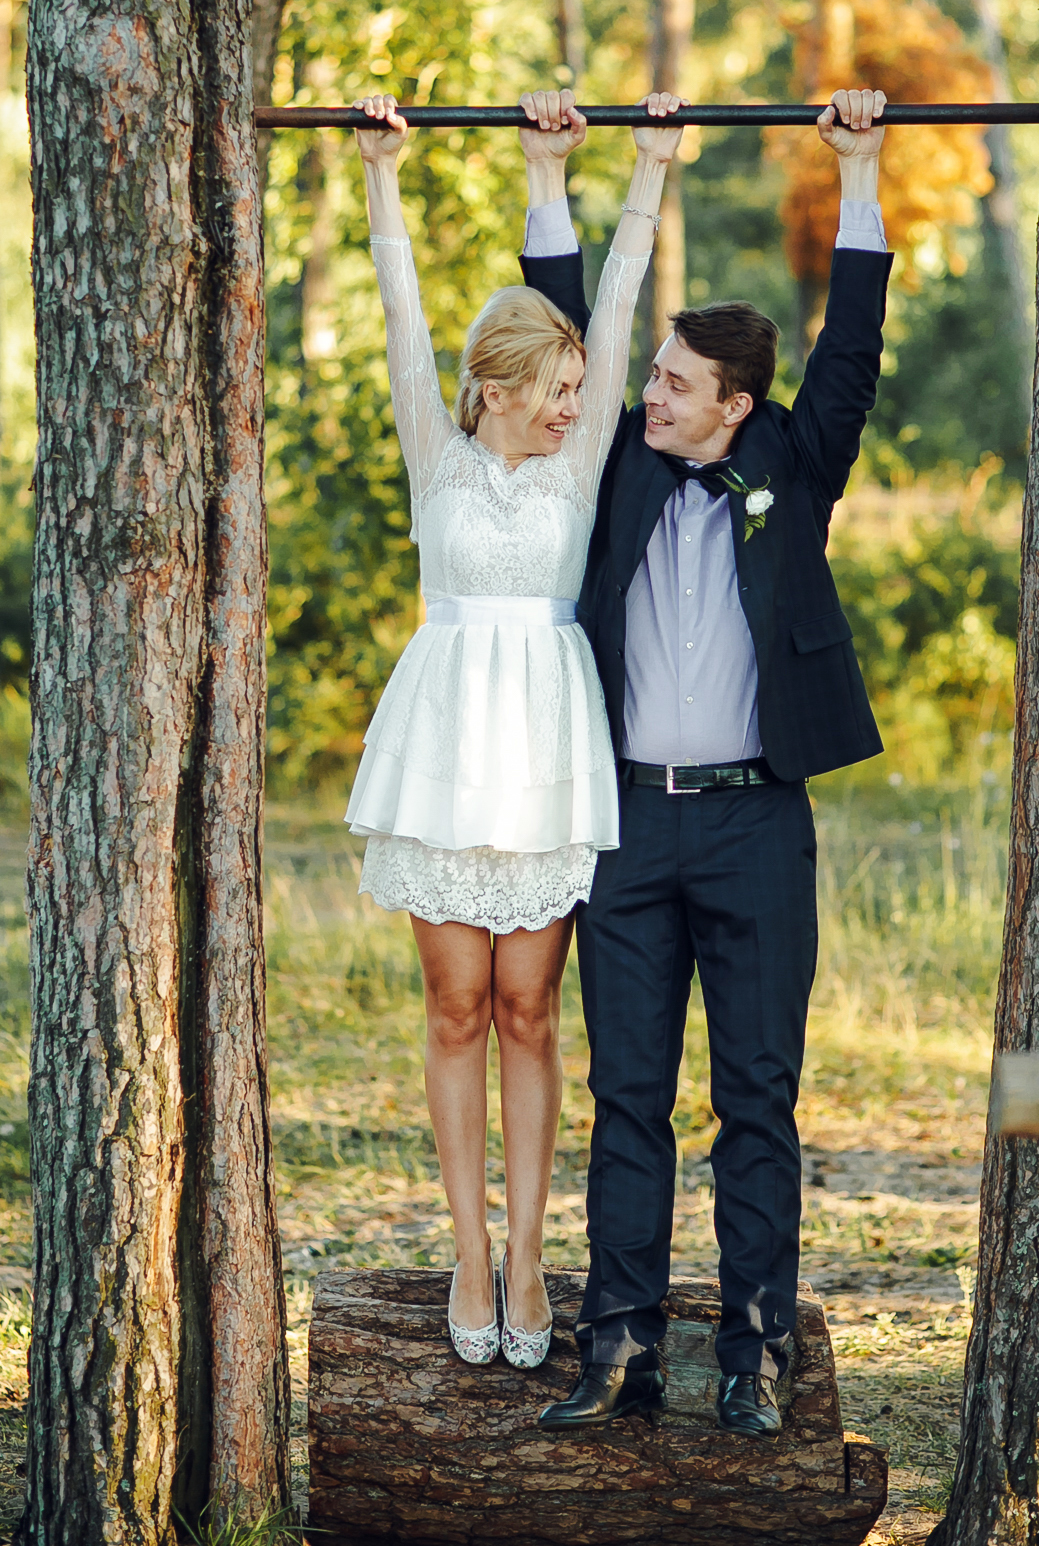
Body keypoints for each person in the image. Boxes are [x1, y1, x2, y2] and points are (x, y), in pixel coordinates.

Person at [520, 86, 893, 1435]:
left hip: (755, 830)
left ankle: (752, 1351)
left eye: (676, 383)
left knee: (756, 1101)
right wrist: (549, 177)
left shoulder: (796, 456)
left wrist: (858, 169)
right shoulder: (613, 462)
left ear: (735, 405)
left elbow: (850, 348)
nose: (650, 392)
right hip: (623, 831)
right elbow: (567, 333)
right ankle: (616, 1348)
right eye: (656, 375)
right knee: (627, 1100)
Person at [344, 83, 687, 1369]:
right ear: (493, 387)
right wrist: (380, 172)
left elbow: (620, 299)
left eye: (577, 389)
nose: (572, 405)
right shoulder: (433, 449)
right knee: (455, 1009)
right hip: (443, 743)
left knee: (530, 1010)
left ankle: (532, 1250)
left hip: (543, 744)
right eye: (553, 388)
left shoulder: (579, 462)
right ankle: (469, 1250)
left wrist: (648, 168)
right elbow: (399, 314)